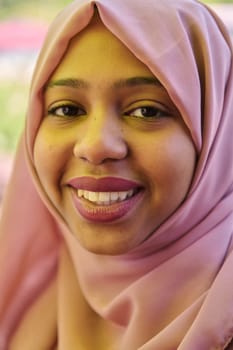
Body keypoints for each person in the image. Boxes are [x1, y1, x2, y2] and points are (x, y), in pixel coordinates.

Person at [0, 0, 233, 348]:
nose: (95, 147)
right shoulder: (24, 303)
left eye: (146, 111)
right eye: (67, 108)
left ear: (220, 133)